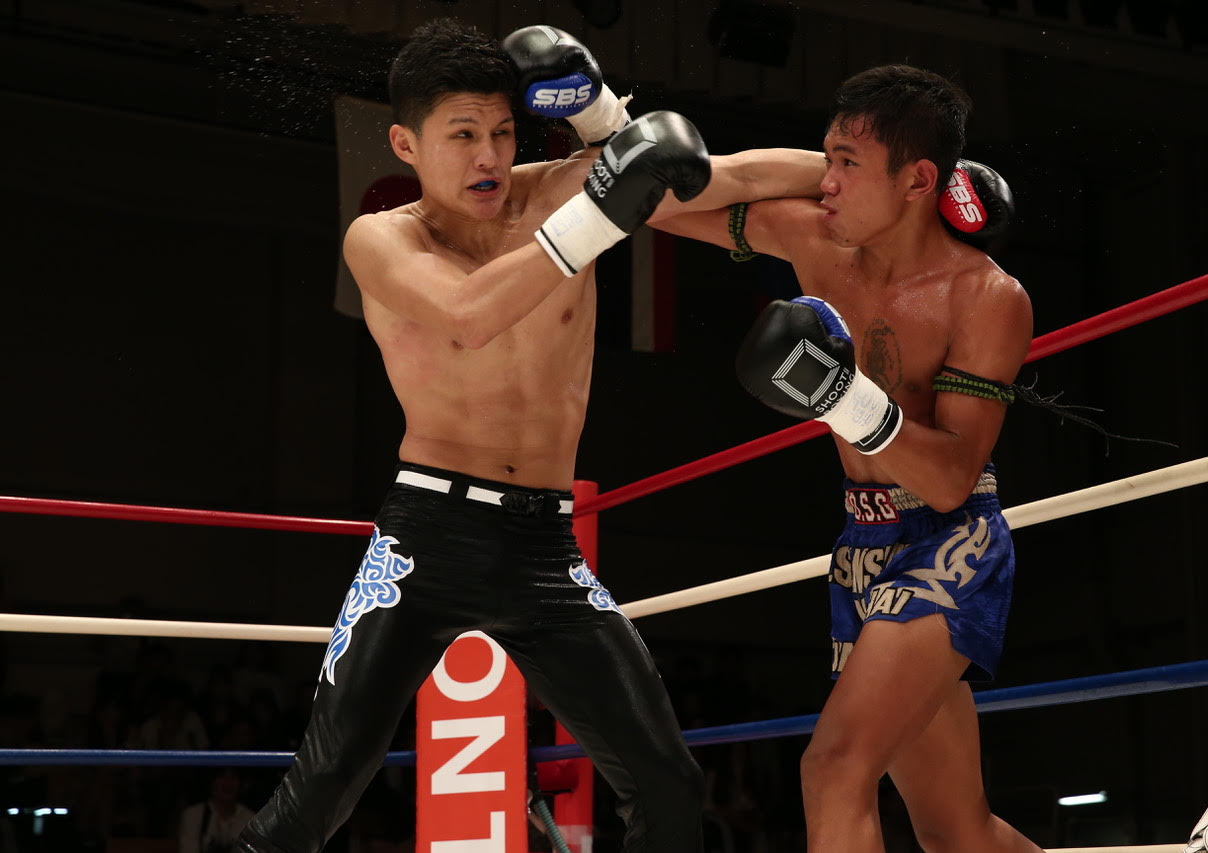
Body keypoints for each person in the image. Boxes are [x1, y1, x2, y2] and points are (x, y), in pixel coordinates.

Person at [236, 19, 824, 853]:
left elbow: (735, 176)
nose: (488, 156)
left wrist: (880, 180)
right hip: (428, 537)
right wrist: (600, 209)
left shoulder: (560, 189)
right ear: (405, 143)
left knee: (667, 783)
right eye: (463, 135)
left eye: (503, 132)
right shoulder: (384, 237)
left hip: (545, 547)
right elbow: (469, 315)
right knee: (323, 786)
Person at [656, 65, 1043, 852]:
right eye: (825, 158)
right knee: (957, 832)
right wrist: (604, 125)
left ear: (918, 181)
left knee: (833, 767)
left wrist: (844, 398)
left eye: (846, 164)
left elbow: (950, 478)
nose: (825, 181)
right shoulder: (816, 240)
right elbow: (657, 202)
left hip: (951, 544)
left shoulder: (986, 296)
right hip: (862, 546)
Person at [180, 769, 255, 853]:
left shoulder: (250, 818)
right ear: (212, 781)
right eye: (222, 776)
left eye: (233, 777)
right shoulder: (193, 815)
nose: (228, 783)